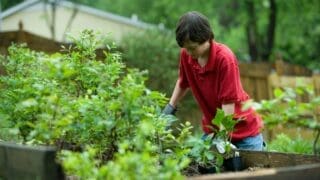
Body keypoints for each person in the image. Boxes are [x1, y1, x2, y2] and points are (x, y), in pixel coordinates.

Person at [162, 11, 264, 150]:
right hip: (213, 131)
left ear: (206, 38)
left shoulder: (225, 59)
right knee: (199, 164)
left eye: (192, 48)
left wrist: (221, 140)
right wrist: (169, 109)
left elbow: (228, 104)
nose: (189, 53)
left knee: (255, 168)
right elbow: (182, 82)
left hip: (244, 132)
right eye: (186, 49)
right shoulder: (187, 55)